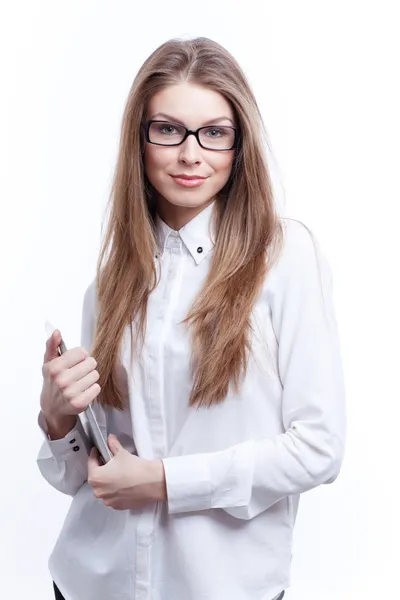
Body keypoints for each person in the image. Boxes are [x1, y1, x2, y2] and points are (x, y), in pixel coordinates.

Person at [37, 37, 346, 600]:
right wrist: (57, 423)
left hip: (221, 587)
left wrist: (162, 482)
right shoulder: (110, 283)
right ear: (140, 139)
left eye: (214, 133)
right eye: (168, 129)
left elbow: (319, 449)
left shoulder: (285, 257)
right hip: (92, 581)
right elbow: (92, 476)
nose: (190, 154)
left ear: (238, 145)